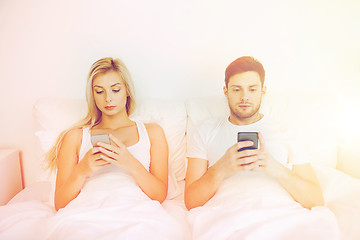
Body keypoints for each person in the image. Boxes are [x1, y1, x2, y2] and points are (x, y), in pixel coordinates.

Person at [185, 56, 340, 240]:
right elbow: (191, 201)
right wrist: (221, 168)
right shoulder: (205, 130)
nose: (244, 97)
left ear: (263, 90)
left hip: (282, 215)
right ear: (225, 91)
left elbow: (315, 200)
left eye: (252, 89)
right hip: (228, 217)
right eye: (236, 89)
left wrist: (273, 167)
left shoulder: (285, 131)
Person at [36, 57, 189, 239]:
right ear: (92, 95)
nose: (108, 98)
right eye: (99, 91)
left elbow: (159, 195)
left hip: (137, 211)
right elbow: (60, 203)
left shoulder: (153, 132)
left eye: (115, 90)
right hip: (86, 212)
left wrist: (130, 163)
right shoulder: (75, 137)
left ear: (127, 91)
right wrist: (82, 170)